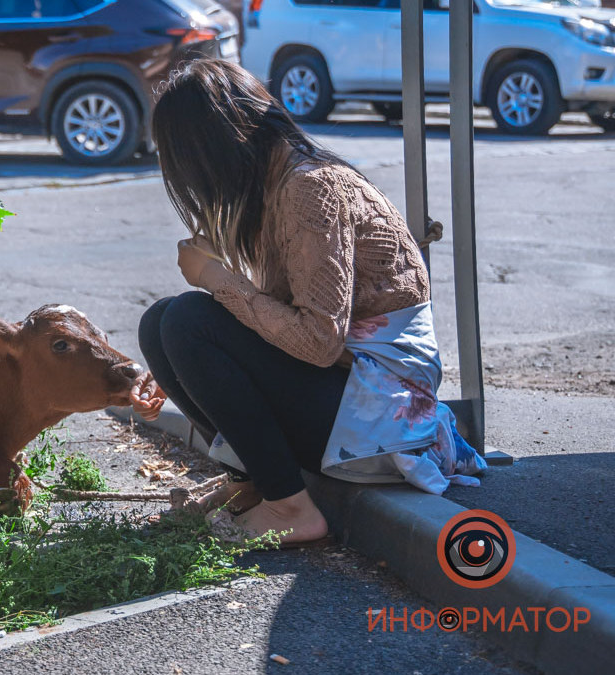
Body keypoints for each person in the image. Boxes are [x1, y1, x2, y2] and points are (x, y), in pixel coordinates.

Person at [128, 58, 444, 547]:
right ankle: (253, 481)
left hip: (383, 419)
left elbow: (317, 343)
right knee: (162, 322)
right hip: (353, 396)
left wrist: (218, 278)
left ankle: (290, 506)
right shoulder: (278, 181)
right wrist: (178, 365)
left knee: (188, 319)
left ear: (209, 150)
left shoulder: (311, 188)